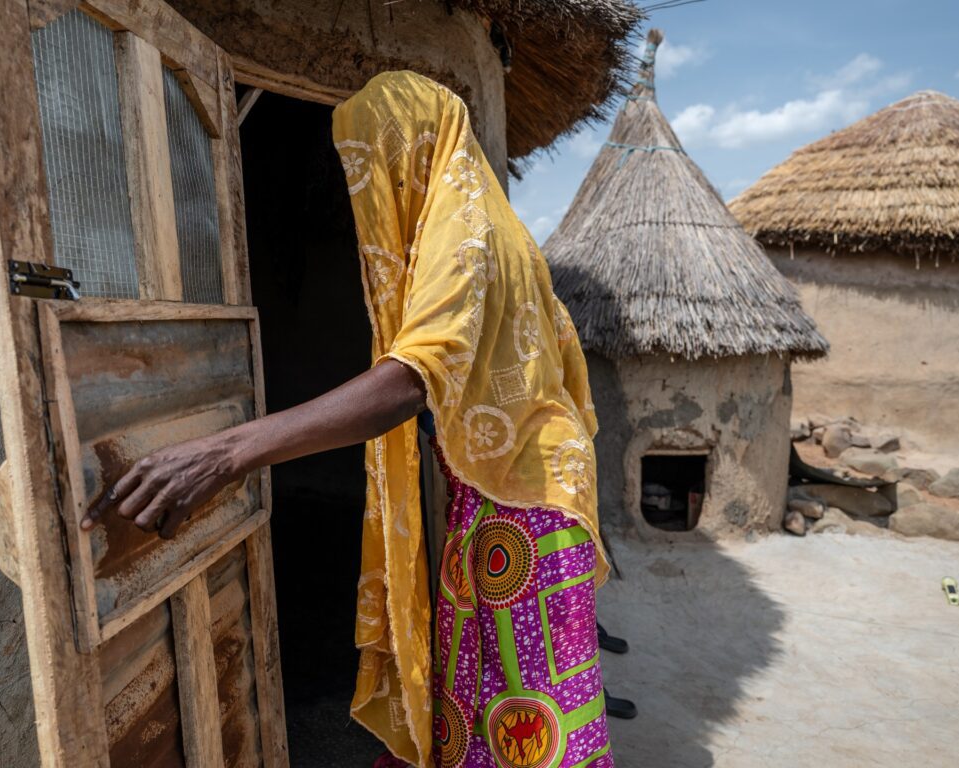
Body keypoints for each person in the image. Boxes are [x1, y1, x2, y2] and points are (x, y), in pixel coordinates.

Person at [84, 71, 613, 768]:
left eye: (374, 166)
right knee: (487, 704)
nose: (369, 194)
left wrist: (223, 453)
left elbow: (410, 380)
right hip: (512, 490)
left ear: (416, 153)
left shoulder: (469, 236)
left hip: (525, 509)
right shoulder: (496, 225)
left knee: (530, 723)